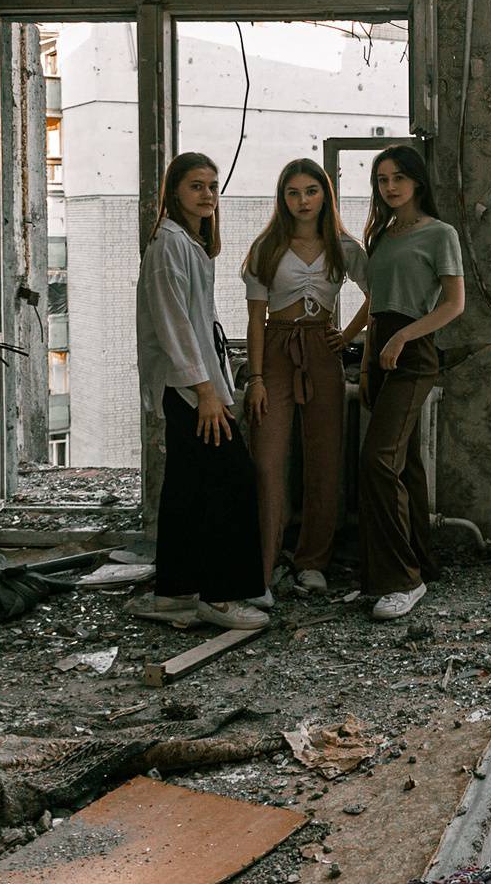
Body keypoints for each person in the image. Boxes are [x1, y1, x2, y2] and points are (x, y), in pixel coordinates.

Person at [134, 152, 268, 630]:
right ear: (174, 191)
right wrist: (207, 393)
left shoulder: (189, 242)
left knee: (187, 489)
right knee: (232, 483)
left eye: (213, 186)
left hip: (197, 384)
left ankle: (175, 591)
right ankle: (222, 596)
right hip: (191, 389)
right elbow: (174, 325)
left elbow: (197, 322)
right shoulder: (169, 244)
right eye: (196, 186)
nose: (208, 194)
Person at [336, 144, 465, 621]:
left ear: (417, 181)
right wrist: (349, 341)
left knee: (376, 461)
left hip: (413, 356)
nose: (389, 187)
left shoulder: (440, 234)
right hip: (380, 354)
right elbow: (376, 301)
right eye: (381, 180)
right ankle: (420, 566)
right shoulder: (384, 235)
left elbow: (453, 305)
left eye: (397, 178)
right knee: (404, 465)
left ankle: (402, 582)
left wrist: (400, 340)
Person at [242, 159, 365, 598]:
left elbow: (377, 293)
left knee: (325, 459)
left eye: (311, 191)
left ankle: (314, 561)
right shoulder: (267, 247)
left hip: (322, 350)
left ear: (325, 195)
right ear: (283, 198)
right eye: (293, 193)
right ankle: (262, 567)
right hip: (275, 349)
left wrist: (347, 336)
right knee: (268, 461)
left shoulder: (343, 246)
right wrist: (255, 378)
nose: (302, 201)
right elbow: (256, 320)